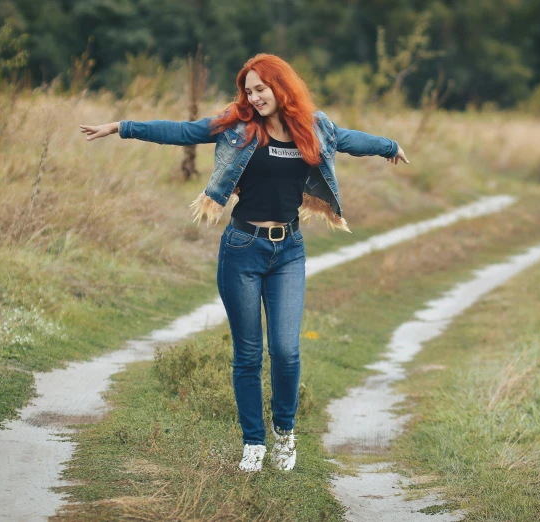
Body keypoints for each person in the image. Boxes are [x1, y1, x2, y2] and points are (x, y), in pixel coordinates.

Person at [79, 53, 409, 473]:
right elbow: (184, 132)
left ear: (280, 86)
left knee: (287, 352)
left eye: (260, 89)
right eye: (248, 91)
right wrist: (122, 127)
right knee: (249, 354)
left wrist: (389, 146)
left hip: (289, 249)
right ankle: (253, 443)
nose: (253, 97)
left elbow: (349, 139)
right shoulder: (237, 126)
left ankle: (284, 435)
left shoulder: (314, 126)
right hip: (241, 248)